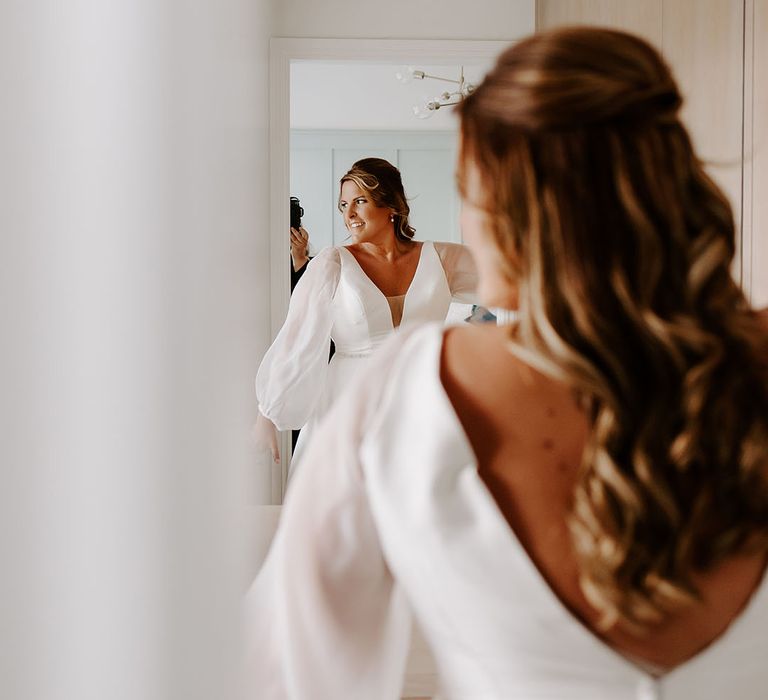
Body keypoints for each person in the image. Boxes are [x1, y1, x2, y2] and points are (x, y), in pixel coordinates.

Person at [247, 27, 768, 698]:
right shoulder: (340, 281)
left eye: (467, 188)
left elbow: (285, 673)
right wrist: (269, 407)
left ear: (506, 207)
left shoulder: (408, 394)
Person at [254, 157, 478, 474]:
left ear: (391, 206)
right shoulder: (332, 262)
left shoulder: (443, 258)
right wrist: (268, 413)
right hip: (348, 399)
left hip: (422, 396)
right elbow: (298, 336)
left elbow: (515, 285)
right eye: (343, 204)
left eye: (360, 201)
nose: (349, 215)